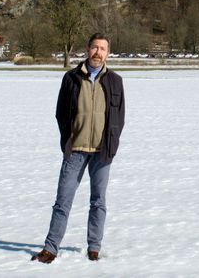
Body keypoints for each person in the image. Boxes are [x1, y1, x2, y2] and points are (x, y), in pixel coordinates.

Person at [32, 33, 126, 263]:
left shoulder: (115, 81)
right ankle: (50, 248)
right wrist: (68, 139)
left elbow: (119, 117)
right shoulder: (71, 78)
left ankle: (94, 247)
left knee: (98, 201)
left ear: (108, 53)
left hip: (102, 152)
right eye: (95, 48)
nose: (98, 52)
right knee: (63, 201)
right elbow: (61, 113)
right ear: (87, 49)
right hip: (75, 150)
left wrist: (112, 144)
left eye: (103, 49)